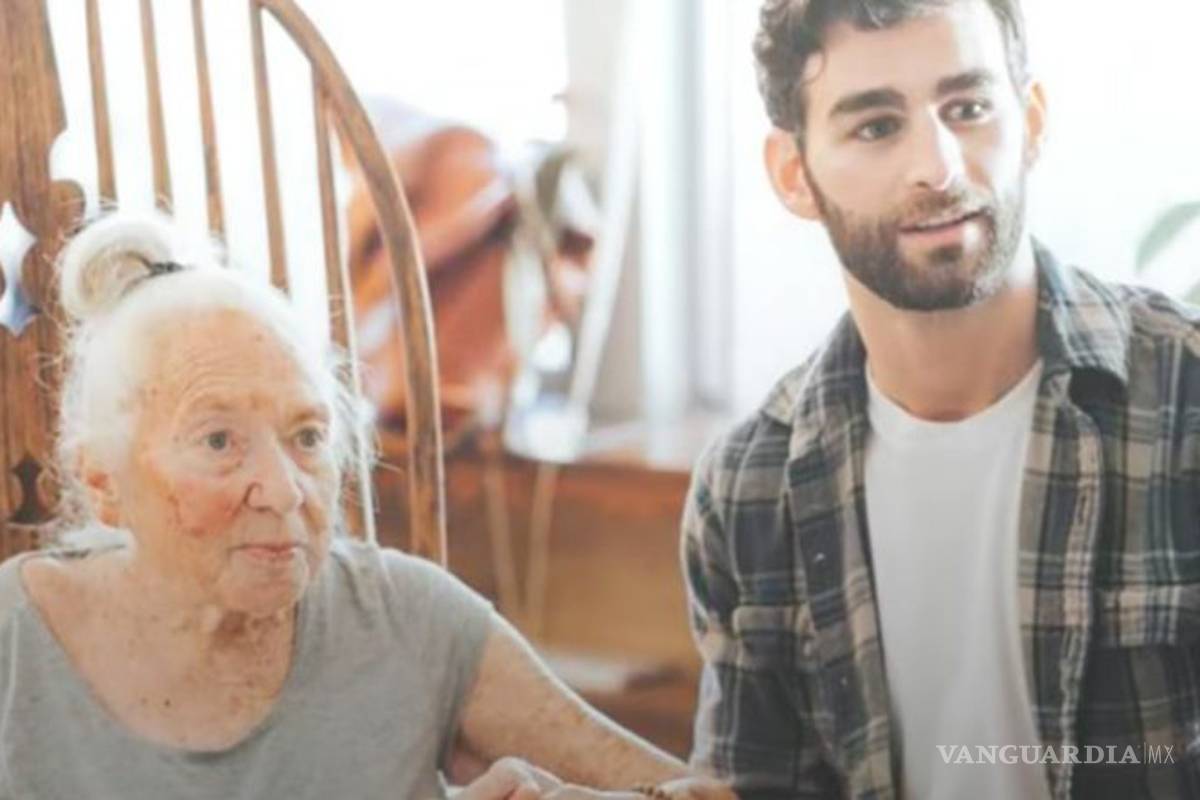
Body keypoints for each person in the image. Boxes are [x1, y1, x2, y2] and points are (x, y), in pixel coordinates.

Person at [0, 212, 734, 800]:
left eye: (308, 436)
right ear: (102, 483)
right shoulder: (14, 646)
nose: (286, 489)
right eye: (220, 441)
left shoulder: (409, 620)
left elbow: (691, 795)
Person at [681, 1, 1200, 798]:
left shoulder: (1185, 402)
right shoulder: (749, 488)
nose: (941, 167)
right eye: (876, 127)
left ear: (1029, 121)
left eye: (968, 108)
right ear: (794, 174)